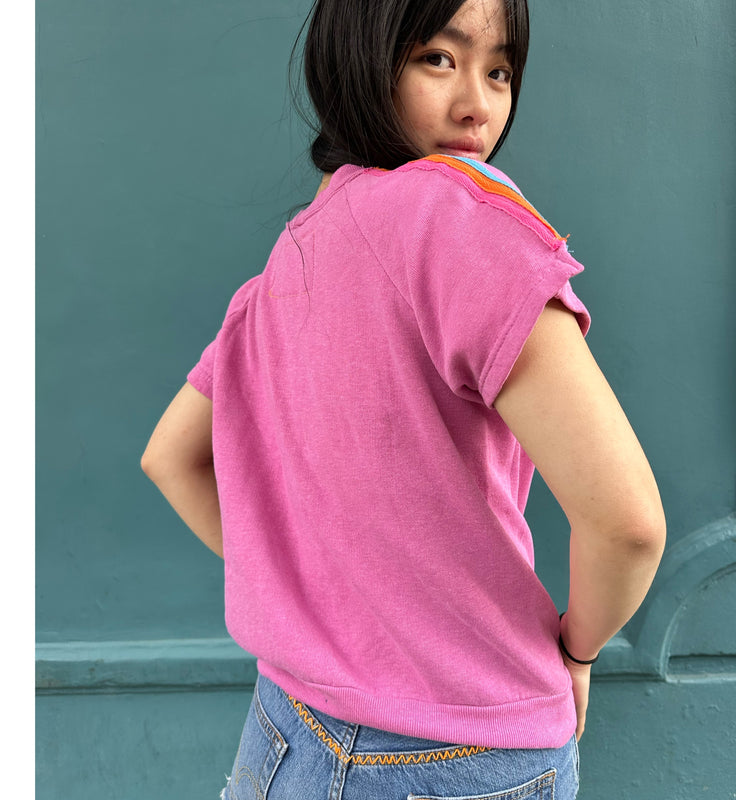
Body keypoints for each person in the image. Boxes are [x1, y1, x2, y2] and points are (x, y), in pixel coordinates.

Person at [141, 0, 666, 797]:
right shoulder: (464, 221)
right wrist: (579, 652)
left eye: (500, 71)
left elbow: (169, 458)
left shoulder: (282, 269)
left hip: (284, 733)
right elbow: (629, 526)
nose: (478, 105)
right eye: (438, 58)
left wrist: (315, 593)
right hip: (463, 750)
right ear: (361, 57)